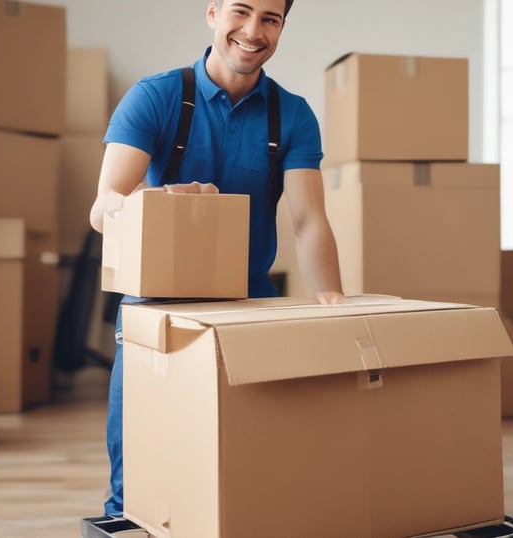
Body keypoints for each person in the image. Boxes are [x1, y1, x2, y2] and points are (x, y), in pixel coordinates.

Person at [88, 0, 344, 516]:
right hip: (157, 307)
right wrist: (161, 202)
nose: (253, 31)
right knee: (141, 471)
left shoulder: (291, 114)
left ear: (282, 27)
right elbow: (104, 207)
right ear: (212, 13)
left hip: (250, 304)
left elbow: (308, 220)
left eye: (270, 18)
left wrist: (332, 302)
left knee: (253, 463)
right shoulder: (157, 97)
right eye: (241, 12)